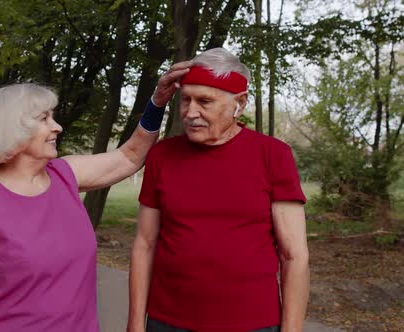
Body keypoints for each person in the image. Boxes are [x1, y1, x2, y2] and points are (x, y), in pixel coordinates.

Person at [0, 74, 189, 331]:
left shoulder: (65, 174)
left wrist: (157, 103)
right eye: (44, 119)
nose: (57, 127)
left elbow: (131, 156)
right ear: (13, 130)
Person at [127, 48, 310, 332]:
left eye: (205, 101)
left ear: (240, 103)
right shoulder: (162, 155)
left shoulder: (273, 155)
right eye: (185, 100)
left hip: (253, 323)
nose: (190, 112)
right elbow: (144, 244)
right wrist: (136, 324)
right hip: (168, 321)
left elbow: (294, 255)